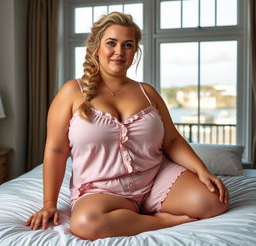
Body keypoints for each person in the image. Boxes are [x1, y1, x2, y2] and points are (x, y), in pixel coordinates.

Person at [25, 12, 229, 240]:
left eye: (128, 45)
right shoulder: (72, 92)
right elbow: (56, 150)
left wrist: (202, 171)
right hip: (102, 189)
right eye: (111, 43)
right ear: (96, 47)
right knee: (85, 224)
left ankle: (137, 214)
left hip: (155, 179)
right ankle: (159, 220)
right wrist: (49, 203)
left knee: (215, 201)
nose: (119, 52)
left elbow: (172, 140)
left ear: (135, 51)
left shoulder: (147, 92)